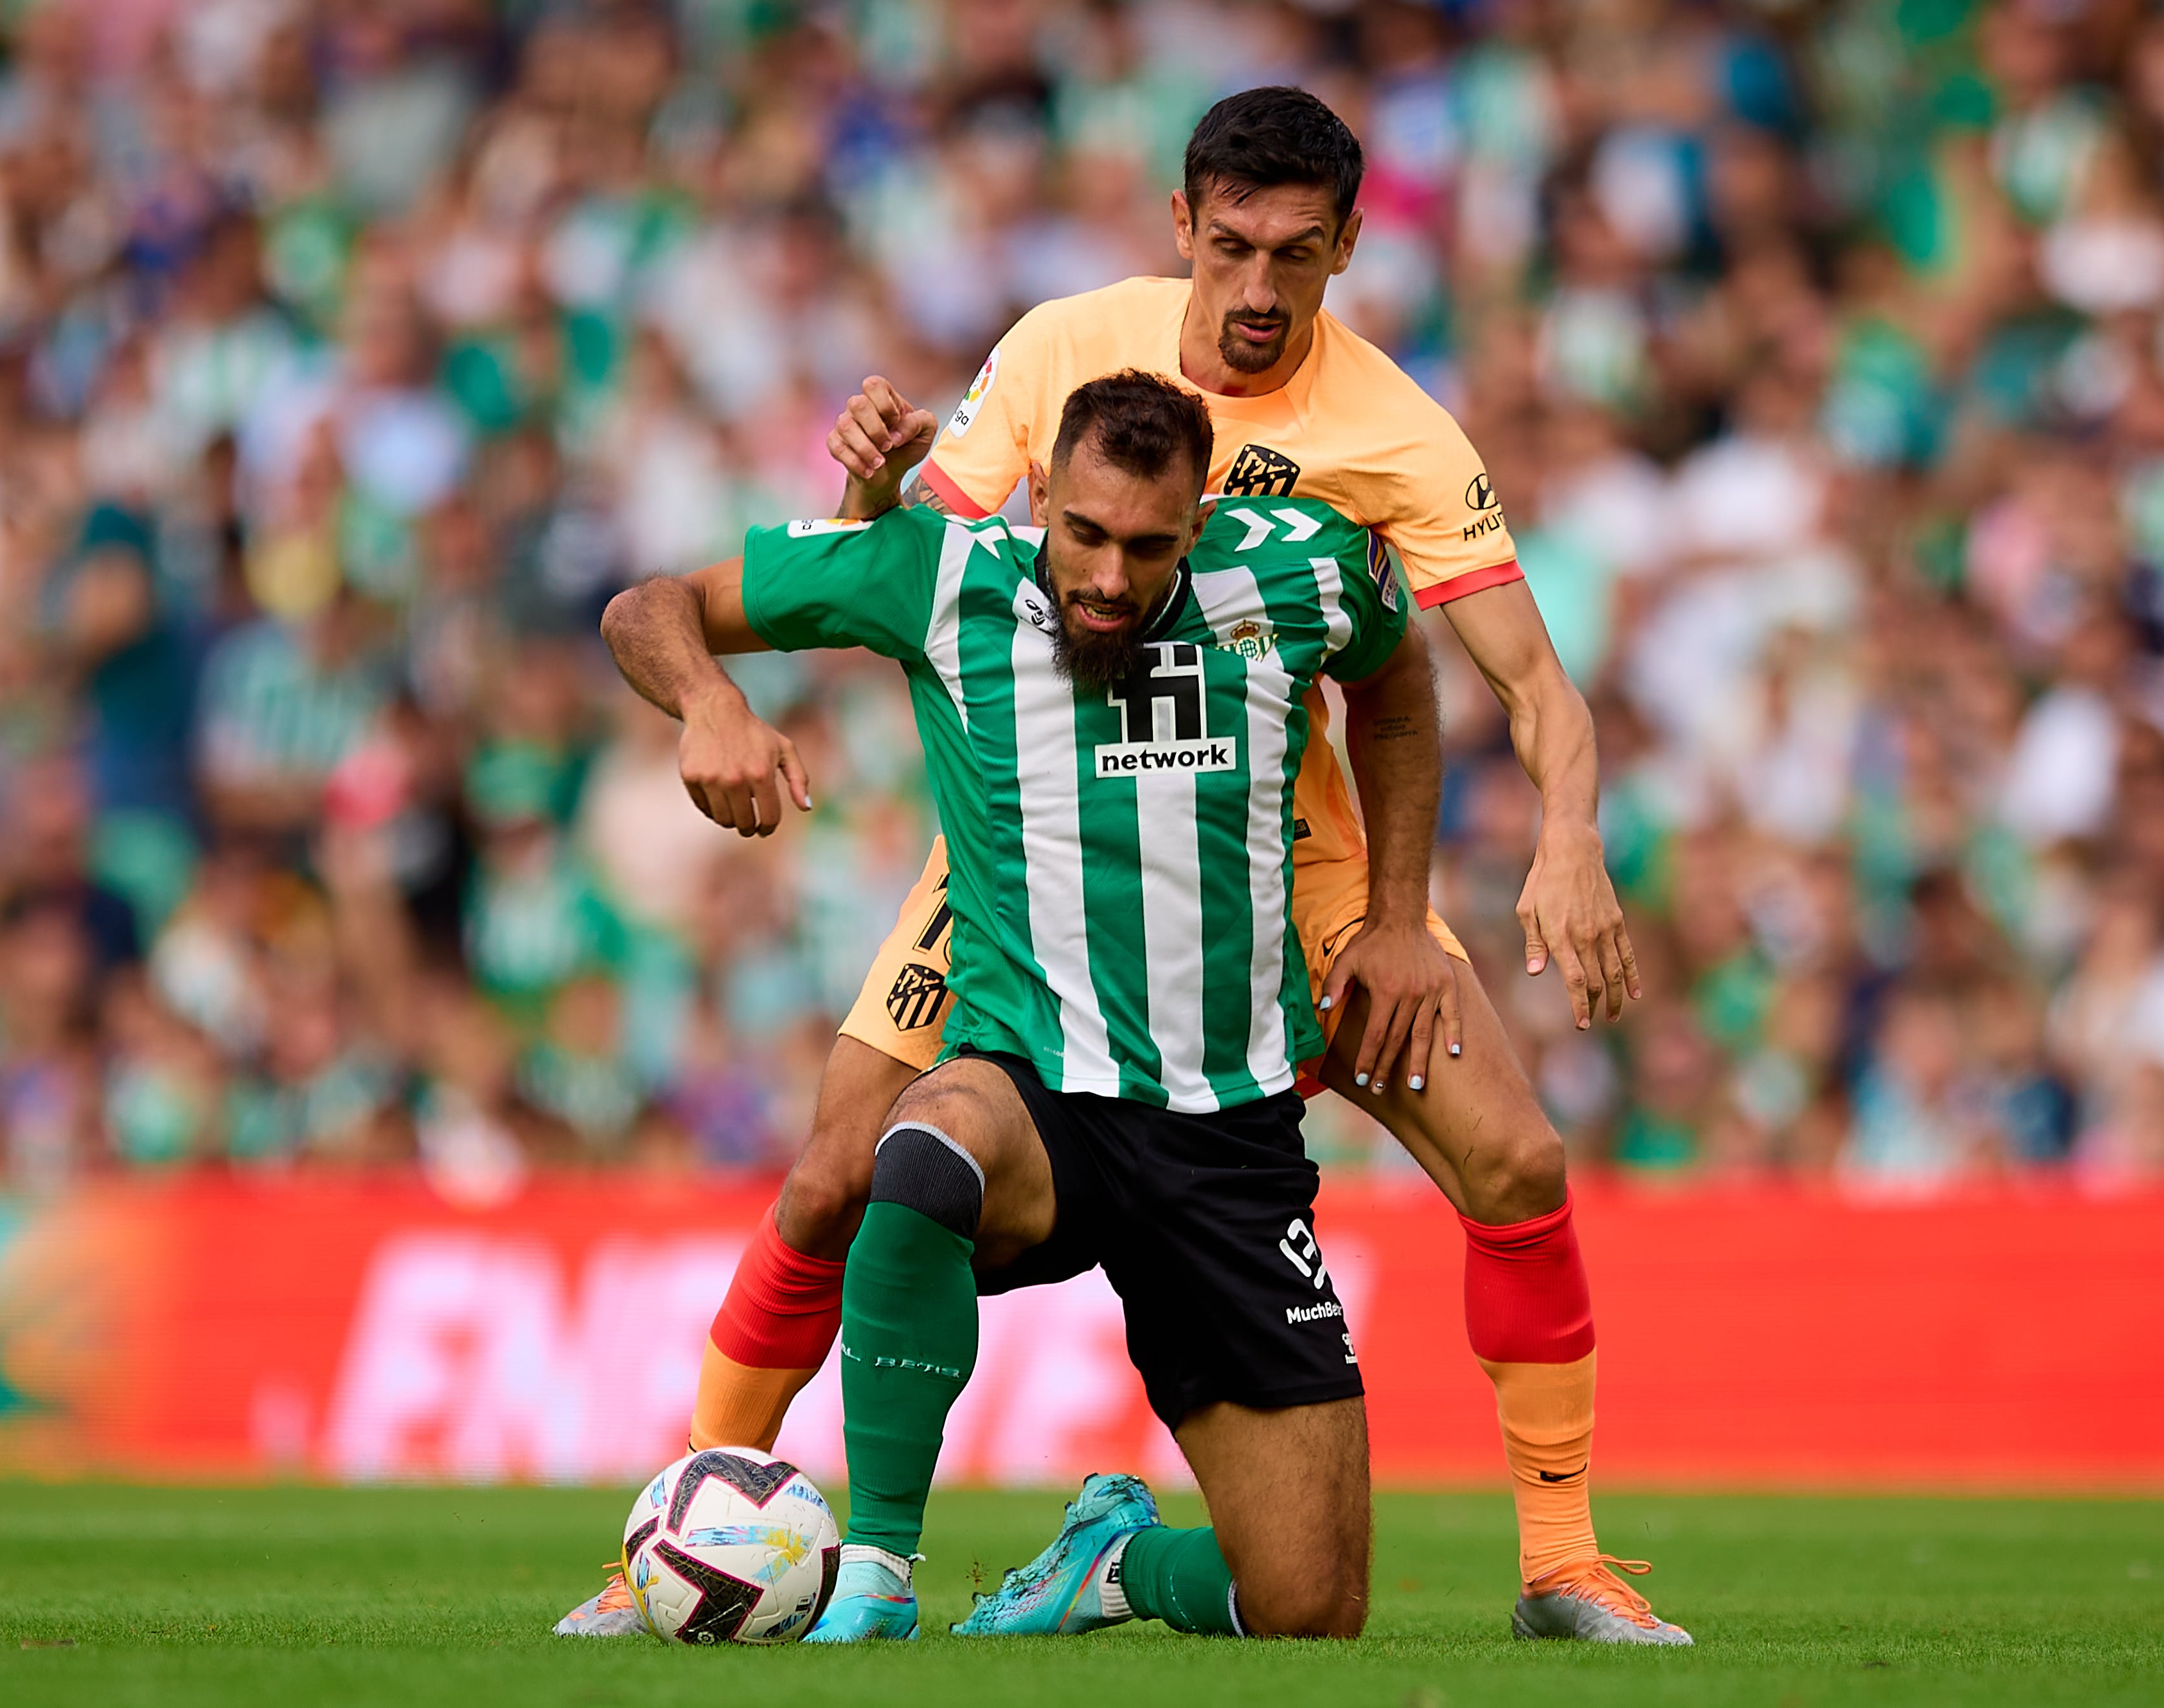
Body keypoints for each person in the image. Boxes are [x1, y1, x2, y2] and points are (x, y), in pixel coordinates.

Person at [623, 85, 1687, 1646]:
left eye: (1298, 258)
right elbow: (923, 574)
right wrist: (848, 510)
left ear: (1344, 250)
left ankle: (1562, 1561)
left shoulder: (1392, 432)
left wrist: (1522, 856)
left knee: (1516, 1159)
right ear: (1182, 225)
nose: (1259, 292)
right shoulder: (1062, 349)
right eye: (1235, 247)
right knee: (843, 1174)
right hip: (1037, 840)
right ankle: (700, 1529)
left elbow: (1502, 679)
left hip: (1289, 851)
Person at [599, 370, 1445, 1639]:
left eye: (1149, 546)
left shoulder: (1307, 567)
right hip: (1036, 1092)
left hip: (1230, 1139)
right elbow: (646, 607)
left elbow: (1397, 683)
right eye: (1085, 534)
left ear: (1201, 519)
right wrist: (712, 700)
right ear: (1038, 490)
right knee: (922, 1143)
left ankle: (1111, 1564)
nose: (1109, 575)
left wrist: (1393, 916)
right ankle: (878, 1571)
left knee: (1307, 1605)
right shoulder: (942, 574)